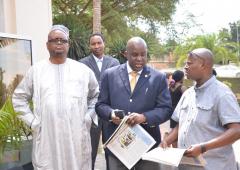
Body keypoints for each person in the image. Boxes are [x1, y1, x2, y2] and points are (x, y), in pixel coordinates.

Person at [12, 25, 99, 170]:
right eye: (54, 40)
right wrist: (33, 123)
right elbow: (19, 98)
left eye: (63, 40)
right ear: (47, 45)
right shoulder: (36, 71)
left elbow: (96, 96)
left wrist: (88, 117)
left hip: (76, 137)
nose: (59, 43)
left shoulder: (83, 71)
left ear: (68, 45)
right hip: (47, 136)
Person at [95, 36, 172, 170]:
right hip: (118, 146)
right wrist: (111, 114)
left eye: (143, 54)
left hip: (147, 146)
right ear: (126, 54)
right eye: (135, 55)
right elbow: (100, 105)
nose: (140, 59)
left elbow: (165, 109)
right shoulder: (110, 75)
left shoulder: (158, 78)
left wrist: (144, 117)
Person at [161, 48, 240, 170]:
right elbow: (180, 125)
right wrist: (167, 140)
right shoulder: (188, 94)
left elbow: (236, 131)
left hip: (214, 166)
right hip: (186, 165)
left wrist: (203, 147)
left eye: (189, 63)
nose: (185, 67)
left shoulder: (222, 94)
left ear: (203, 65)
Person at [79, 33, 120, 170]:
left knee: (111, 149)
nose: (96, 46)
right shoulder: (82, 64)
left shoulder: (114, 63)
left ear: (104, 43)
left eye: (99, 43)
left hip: (109, 112)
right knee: (89, 149)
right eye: (93, 43)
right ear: (89, 45)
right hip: (91, 111)